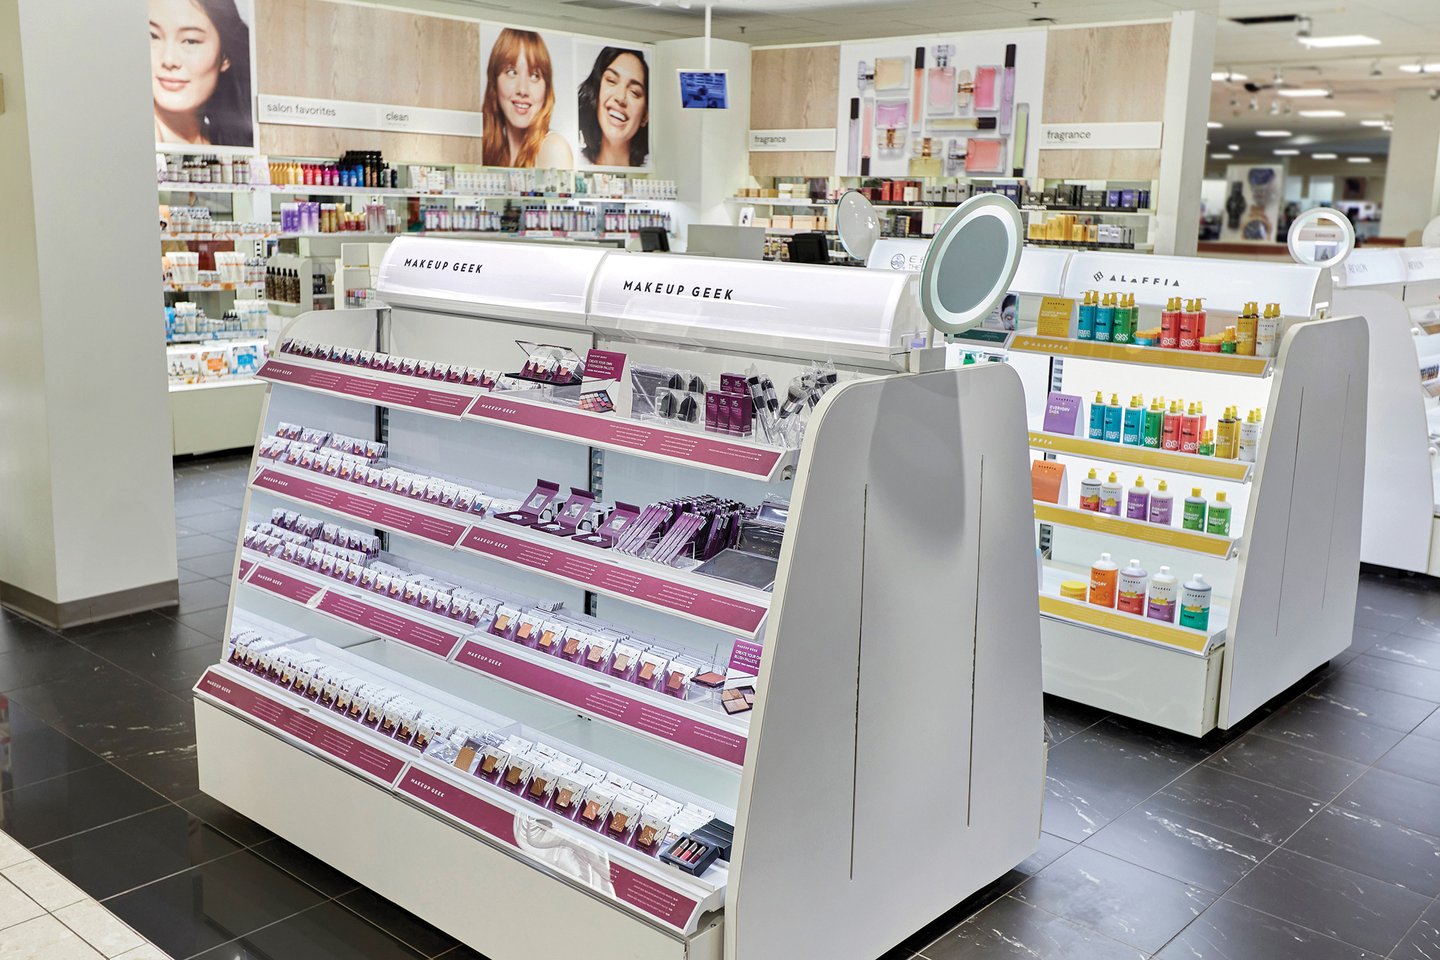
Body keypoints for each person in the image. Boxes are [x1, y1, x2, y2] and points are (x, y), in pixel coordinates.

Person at [150, 0, 253, 147]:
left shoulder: (227, 139)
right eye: (153, 36)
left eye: (190, 41)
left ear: (225, 56)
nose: (168, 60)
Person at [482, 29, 573, 168]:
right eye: (512, 72)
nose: (523, 90)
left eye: (534, 75)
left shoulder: (553, 148)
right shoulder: (492, 151)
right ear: (494, 82)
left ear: (546, 87)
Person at [578, 47, 650, 167]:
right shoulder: (572, 161)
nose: (621, 98)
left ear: (645, 116)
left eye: (634, 92)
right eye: (611, 80)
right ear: (596, 93)